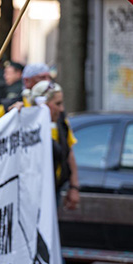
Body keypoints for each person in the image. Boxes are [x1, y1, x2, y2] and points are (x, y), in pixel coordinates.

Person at [30, 80, 80, 209]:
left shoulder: (61, 123)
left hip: (55, 190)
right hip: (32, 194)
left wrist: (74, 186)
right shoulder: (28, 125)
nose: (61, 109)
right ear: (42, 104)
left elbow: (69, 153)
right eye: (57, 104)